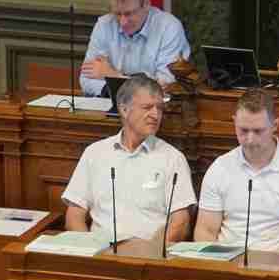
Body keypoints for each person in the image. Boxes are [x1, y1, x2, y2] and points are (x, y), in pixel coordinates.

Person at [63, 74, 195, 244]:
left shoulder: (173, 159)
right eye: (147, 107)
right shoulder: (95, 153)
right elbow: (74, 215)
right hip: (101, 254)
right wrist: (89, 250)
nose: (155, 115)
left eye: (160, 108)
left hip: (149, 258)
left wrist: (151, 253)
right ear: (124, 110)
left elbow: (181, 222)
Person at [193, 89, 279, 253]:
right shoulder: (220, 167)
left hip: (275, 265)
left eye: (258, 131)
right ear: (234, 123)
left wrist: (265, 267)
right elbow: (205, 231)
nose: (250, 139)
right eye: (243, 130)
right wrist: (220, 263)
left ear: (274, 126)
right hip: (224, 262)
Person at [80, 0, 191, 97]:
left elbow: (165, 87)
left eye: (129, 14)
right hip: (108, 106)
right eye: (117, 13)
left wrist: (113, 75)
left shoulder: (169, 28)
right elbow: (86, 80)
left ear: (147, 3)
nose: (122, 22)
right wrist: (120, 88)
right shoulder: (104, 25)